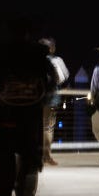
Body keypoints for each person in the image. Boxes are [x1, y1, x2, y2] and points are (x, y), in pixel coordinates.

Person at [0, 17, 58, 196]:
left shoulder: (2, 51)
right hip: (31, 108)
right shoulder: (39, 53)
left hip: (6, 107)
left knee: (3, 149)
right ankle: (26, 188)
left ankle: (2, 188)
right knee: (30, 148)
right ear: (28, 33)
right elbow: (52, 78)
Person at [40, 38, 69, 166]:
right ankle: (46, 155)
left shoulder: (35, 61)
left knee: (38, 127)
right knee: (48, 127)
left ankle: (38, 155)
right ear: (52, 48)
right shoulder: (57, 61)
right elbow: (63, 77)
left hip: (36, 96)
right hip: (51, 96)